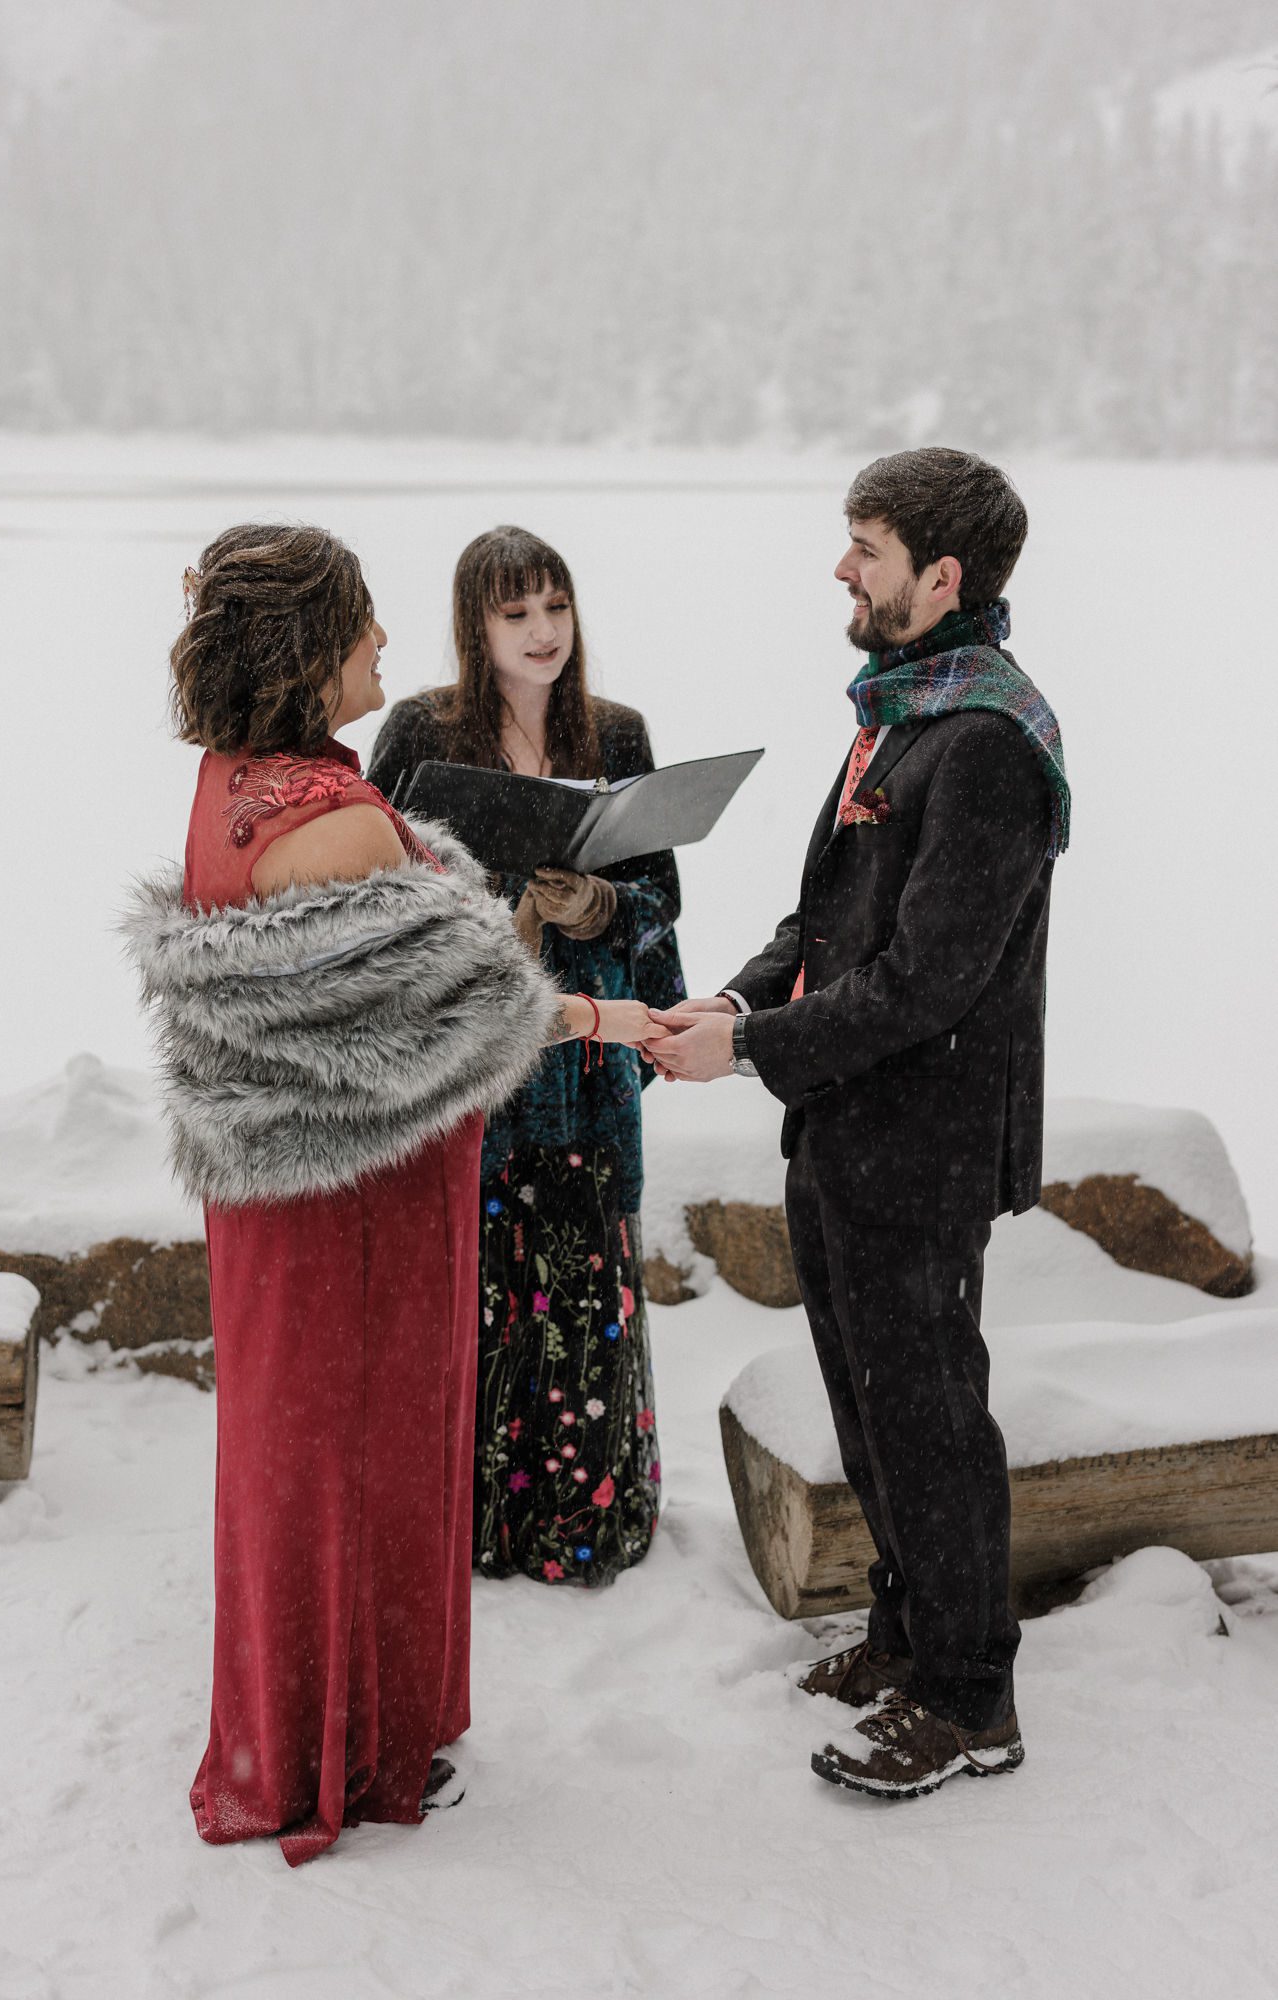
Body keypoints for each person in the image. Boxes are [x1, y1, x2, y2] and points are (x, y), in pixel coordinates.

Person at [123, 524, 659, 1866]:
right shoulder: (346, 824)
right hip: (366, 1207)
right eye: (360, 624)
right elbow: (467, 1022)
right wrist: (610, 1016)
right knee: (362, 1464)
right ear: (312, 653)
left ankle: (301, 1723)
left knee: (291, 1460)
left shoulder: (234, 781)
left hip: (279, 1189)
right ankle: (352, 1752)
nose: (379, 644)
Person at [647, 449, 1070, 1799]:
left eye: (867, 548)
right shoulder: (900, 709)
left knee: (933, 1420)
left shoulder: (990, 744)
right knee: (868, 1405)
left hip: (926, 1145)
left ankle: (968, 1697)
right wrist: (739, 990)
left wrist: (747, 1050)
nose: (841, 567)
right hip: (844, 1129)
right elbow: (828, 924)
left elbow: (927, 981)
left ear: (942, 577)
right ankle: (903, 1636)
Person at [368, 525, 685, 1588]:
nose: (543, 632)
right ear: (475, 625)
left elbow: (662, 901)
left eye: (555, 607)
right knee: (473, 1282)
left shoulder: (617, 732)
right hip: (477, 1057)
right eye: (516, 614)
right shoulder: (422, 728)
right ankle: (467, 1523)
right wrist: (478, 903)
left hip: (585, 1065)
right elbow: (373, 884)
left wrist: (599, 901)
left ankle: (580, 1523)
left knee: (583, 1280)